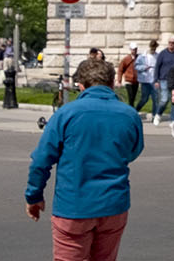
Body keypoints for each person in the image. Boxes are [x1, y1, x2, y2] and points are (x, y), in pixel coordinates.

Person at [25, 54, 145, 261]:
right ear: (112, 84)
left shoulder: (66, 114)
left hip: (73, 205)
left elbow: (41, 161)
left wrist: (34, 196)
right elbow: (133, 151)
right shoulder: (129, 115)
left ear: (81, 86)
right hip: (113, 204)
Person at [151, 39, 174, 127]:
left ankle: (173, 120)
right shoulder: (163, 53)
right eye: (170, 43)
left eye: (173, 43)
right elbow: (157, 67)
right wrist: (156, 80)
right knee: (164, 99)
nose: (171, 44)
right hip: (164, 79)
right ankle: (158, 115)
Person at [134, 43, 156, 118]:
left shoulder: (157, 56)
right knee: (144, 99)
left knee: (155, 99)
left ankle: (154, 116)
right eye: (152, 49)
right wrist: (144, 67)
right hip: (145, 81)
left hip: (154, 81)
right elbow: (136, 66)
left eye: (155, 49)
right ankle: (136, 110)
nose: (153, 50)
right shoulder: (142, 56)